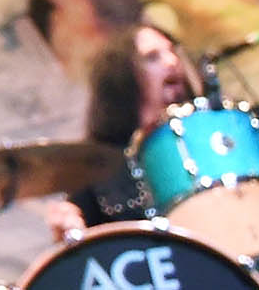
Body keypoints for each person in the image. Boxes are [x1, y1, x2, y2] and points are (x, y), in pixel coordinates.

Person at [42, 23, 197, 241]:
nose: (172, 62)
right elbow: (87, 246)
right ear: (124, 79)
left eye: (172, 51)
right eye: (152, 57)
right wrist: (68, 228)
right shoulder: (97, 170)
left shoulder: (207, 134)